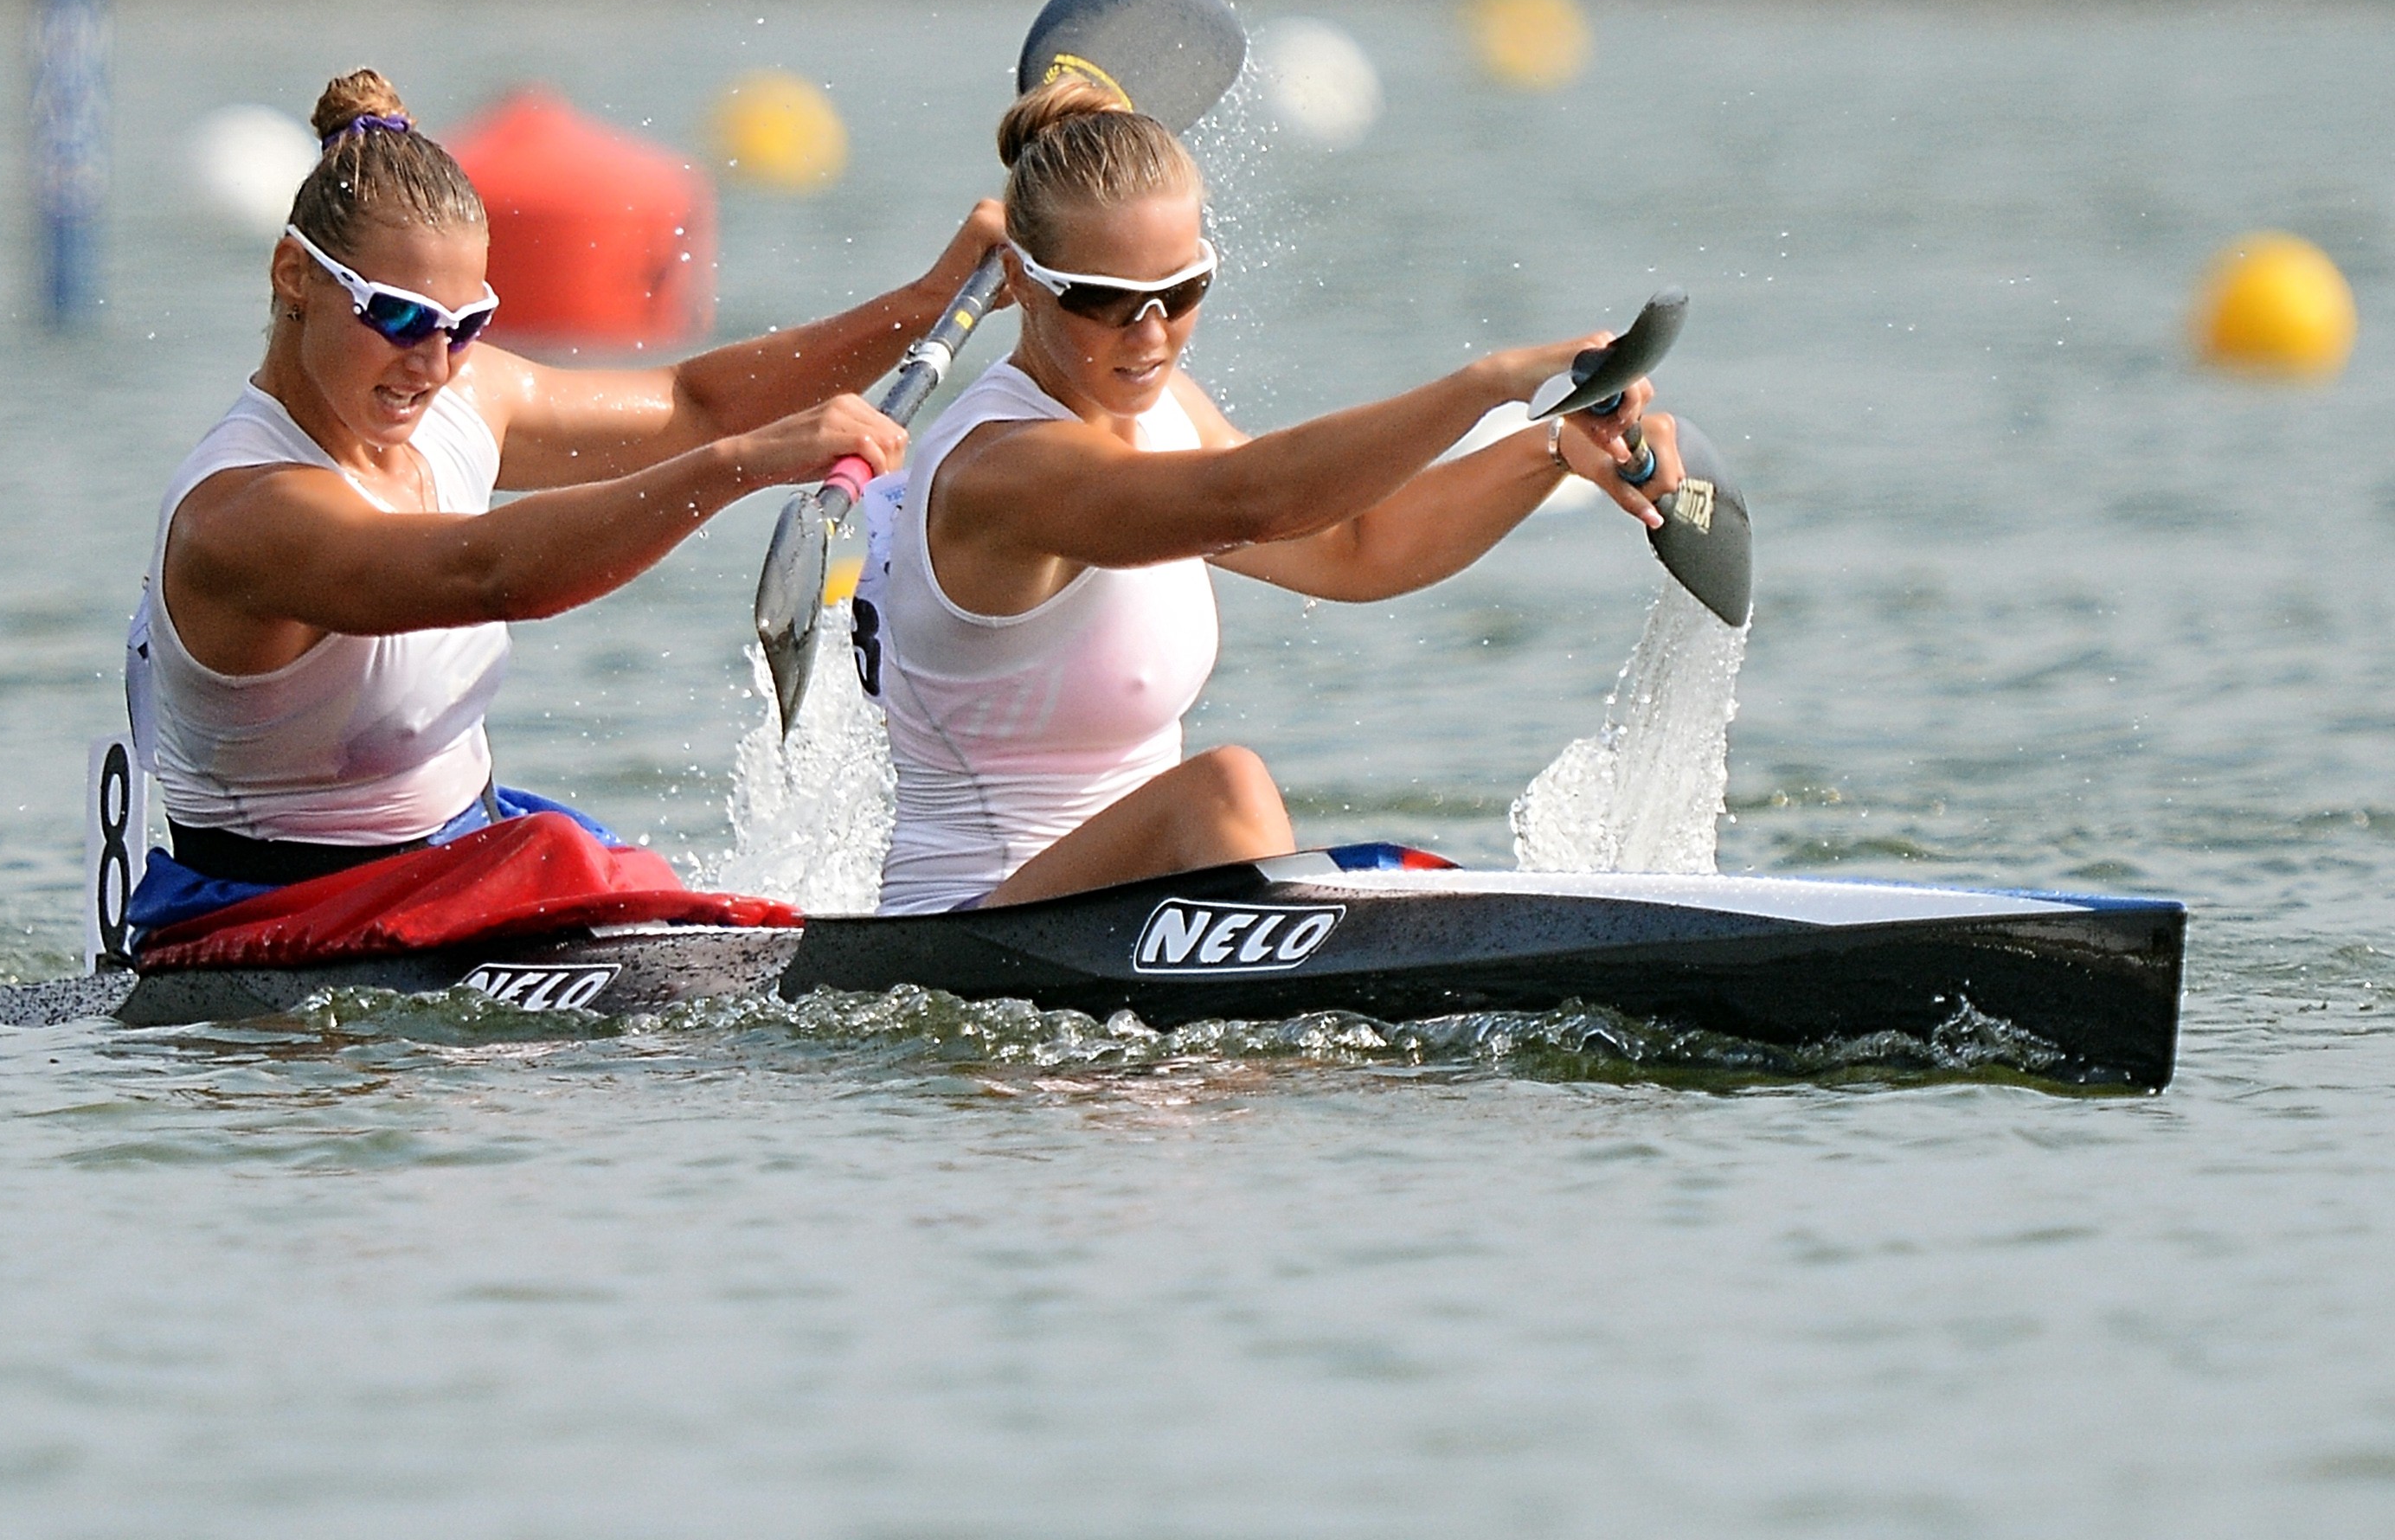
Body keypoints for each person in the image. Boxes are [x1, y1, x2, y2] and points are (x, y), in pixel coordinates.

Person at [125, 67, 1001, 914]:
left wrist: (925, 301)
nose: (431, 365)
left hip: (456, 853)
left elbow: (694, 402)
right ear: (293, 275)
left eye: (465, 326)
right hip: (277, 910)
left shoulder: (461, 398)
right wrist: (742, 463)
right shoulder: (242, 514)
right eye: (397, 317)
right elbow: (486, 571)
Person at [865, 78, 1686, 915]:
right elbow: (1249, 499)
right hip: (969, 935)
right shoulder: (1000, 468)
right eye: (1106, 301)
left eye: (1181, 292)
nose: (1151, 337)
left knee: (1227, 801)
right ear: (1021, 279)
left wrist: (1553, 449)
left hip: (1130, 922)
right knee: (1223, 789)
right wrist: (1490, 383)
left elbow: (1355, 545)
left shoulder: (1166, 413)